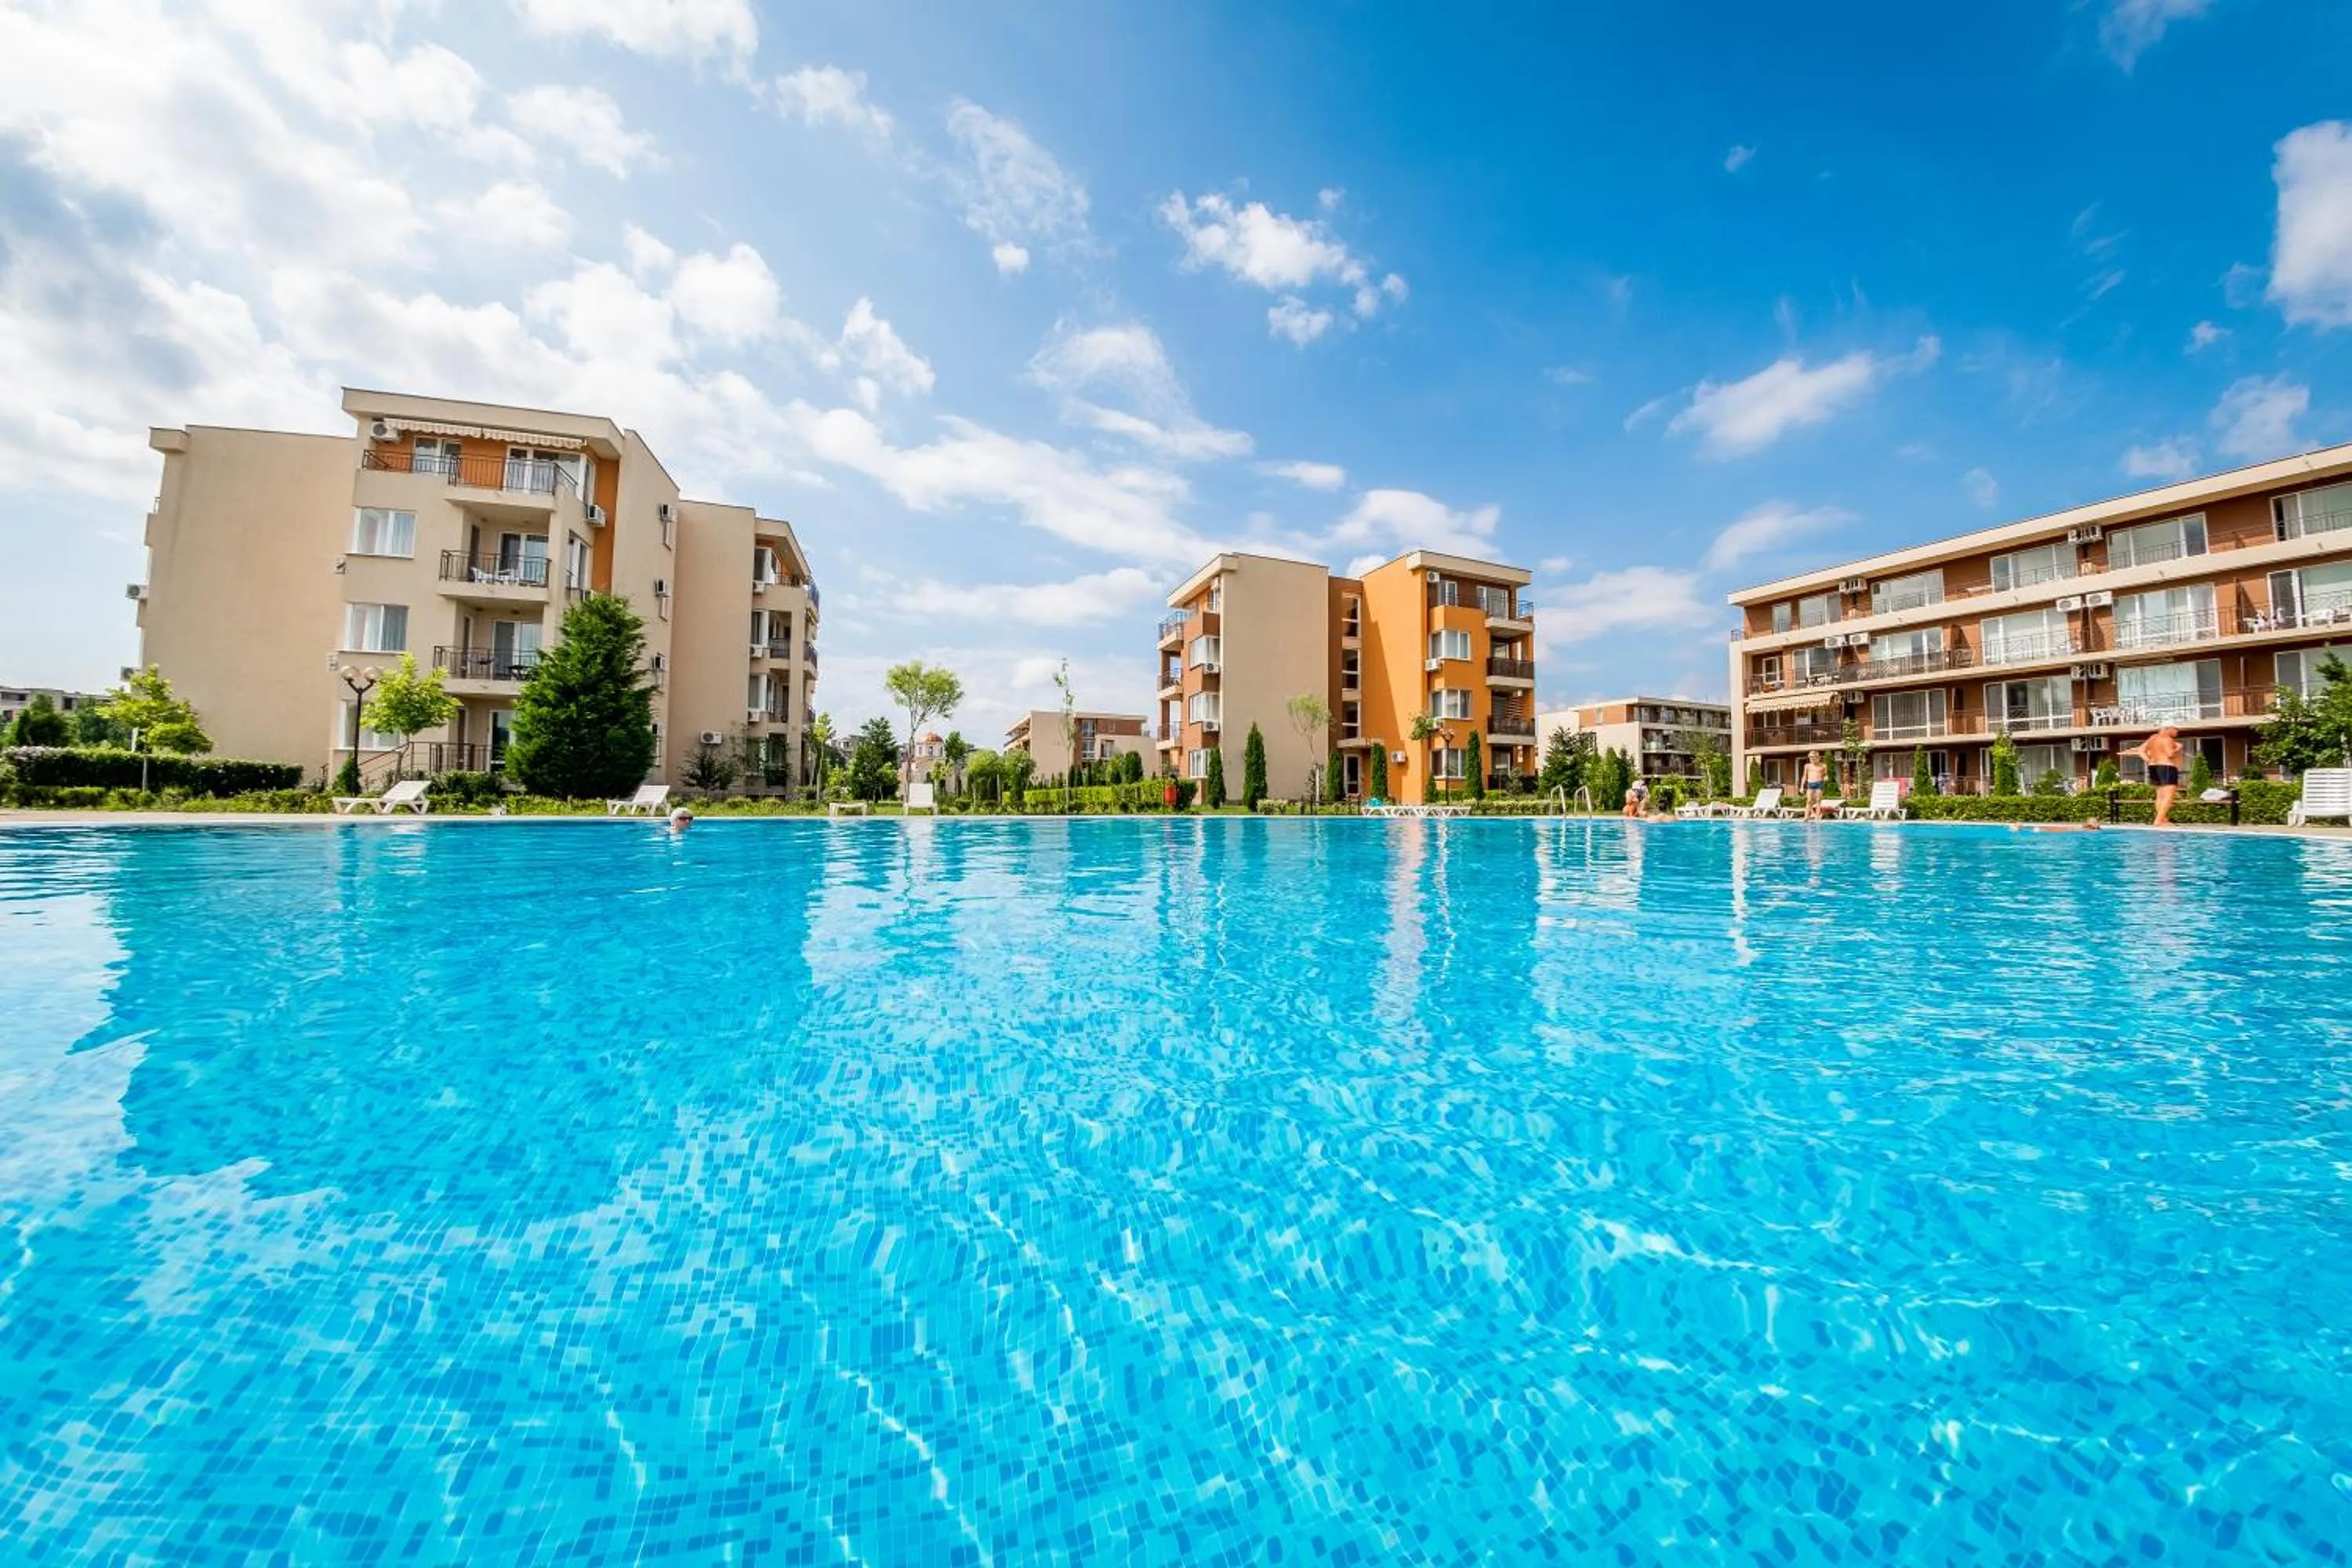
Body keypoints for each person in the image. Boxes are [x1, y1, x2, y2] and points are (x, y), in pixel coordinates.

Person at [2119, 726, 2187, 826]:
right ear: (2168, 729)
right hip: (2167, 766)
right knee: (2168, 796)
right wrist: (2178, 748)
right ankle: (2159, 820)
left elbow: (2141, 750)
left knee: (2160, 796)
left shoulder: (2153, 738)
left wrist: (2148, 760)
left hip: (2153, 766)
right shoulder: (2168, 739)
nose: (2177, 732)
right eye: (2176, 729)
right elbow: (2170, 754)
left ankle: (2163, 819)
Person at [1801, 752, 1829, 819]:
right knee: (1809, 801)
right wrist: (1802, 787)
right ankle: (1806, 817)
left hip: (1819, 783)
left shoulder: (1823, 766)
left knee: (1818, 801)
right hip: (1810, 784)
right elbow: (1804, 776)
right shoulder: (1807, 766)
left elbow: (1825, 774)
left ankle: (1817, 817)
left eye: (1814, 757)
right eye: (1811, 757)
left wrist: (1826, 777)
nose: (1813, 759)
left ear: (1818, 758)